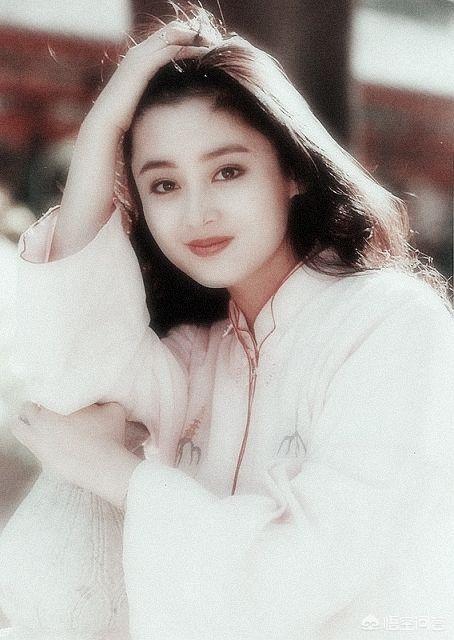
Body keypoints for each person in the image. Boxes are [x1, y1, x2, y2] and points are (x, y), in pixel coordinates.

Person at [2, 5, 454, 639]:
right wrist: (102, 127)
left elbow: (304, 576)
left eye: (228, 171)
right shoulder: (193, 352)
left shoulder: (392, 323)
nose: (198, 213)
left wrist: (119, 474)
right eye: (163, 185)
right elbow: (68, 374)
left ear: (292, 169)